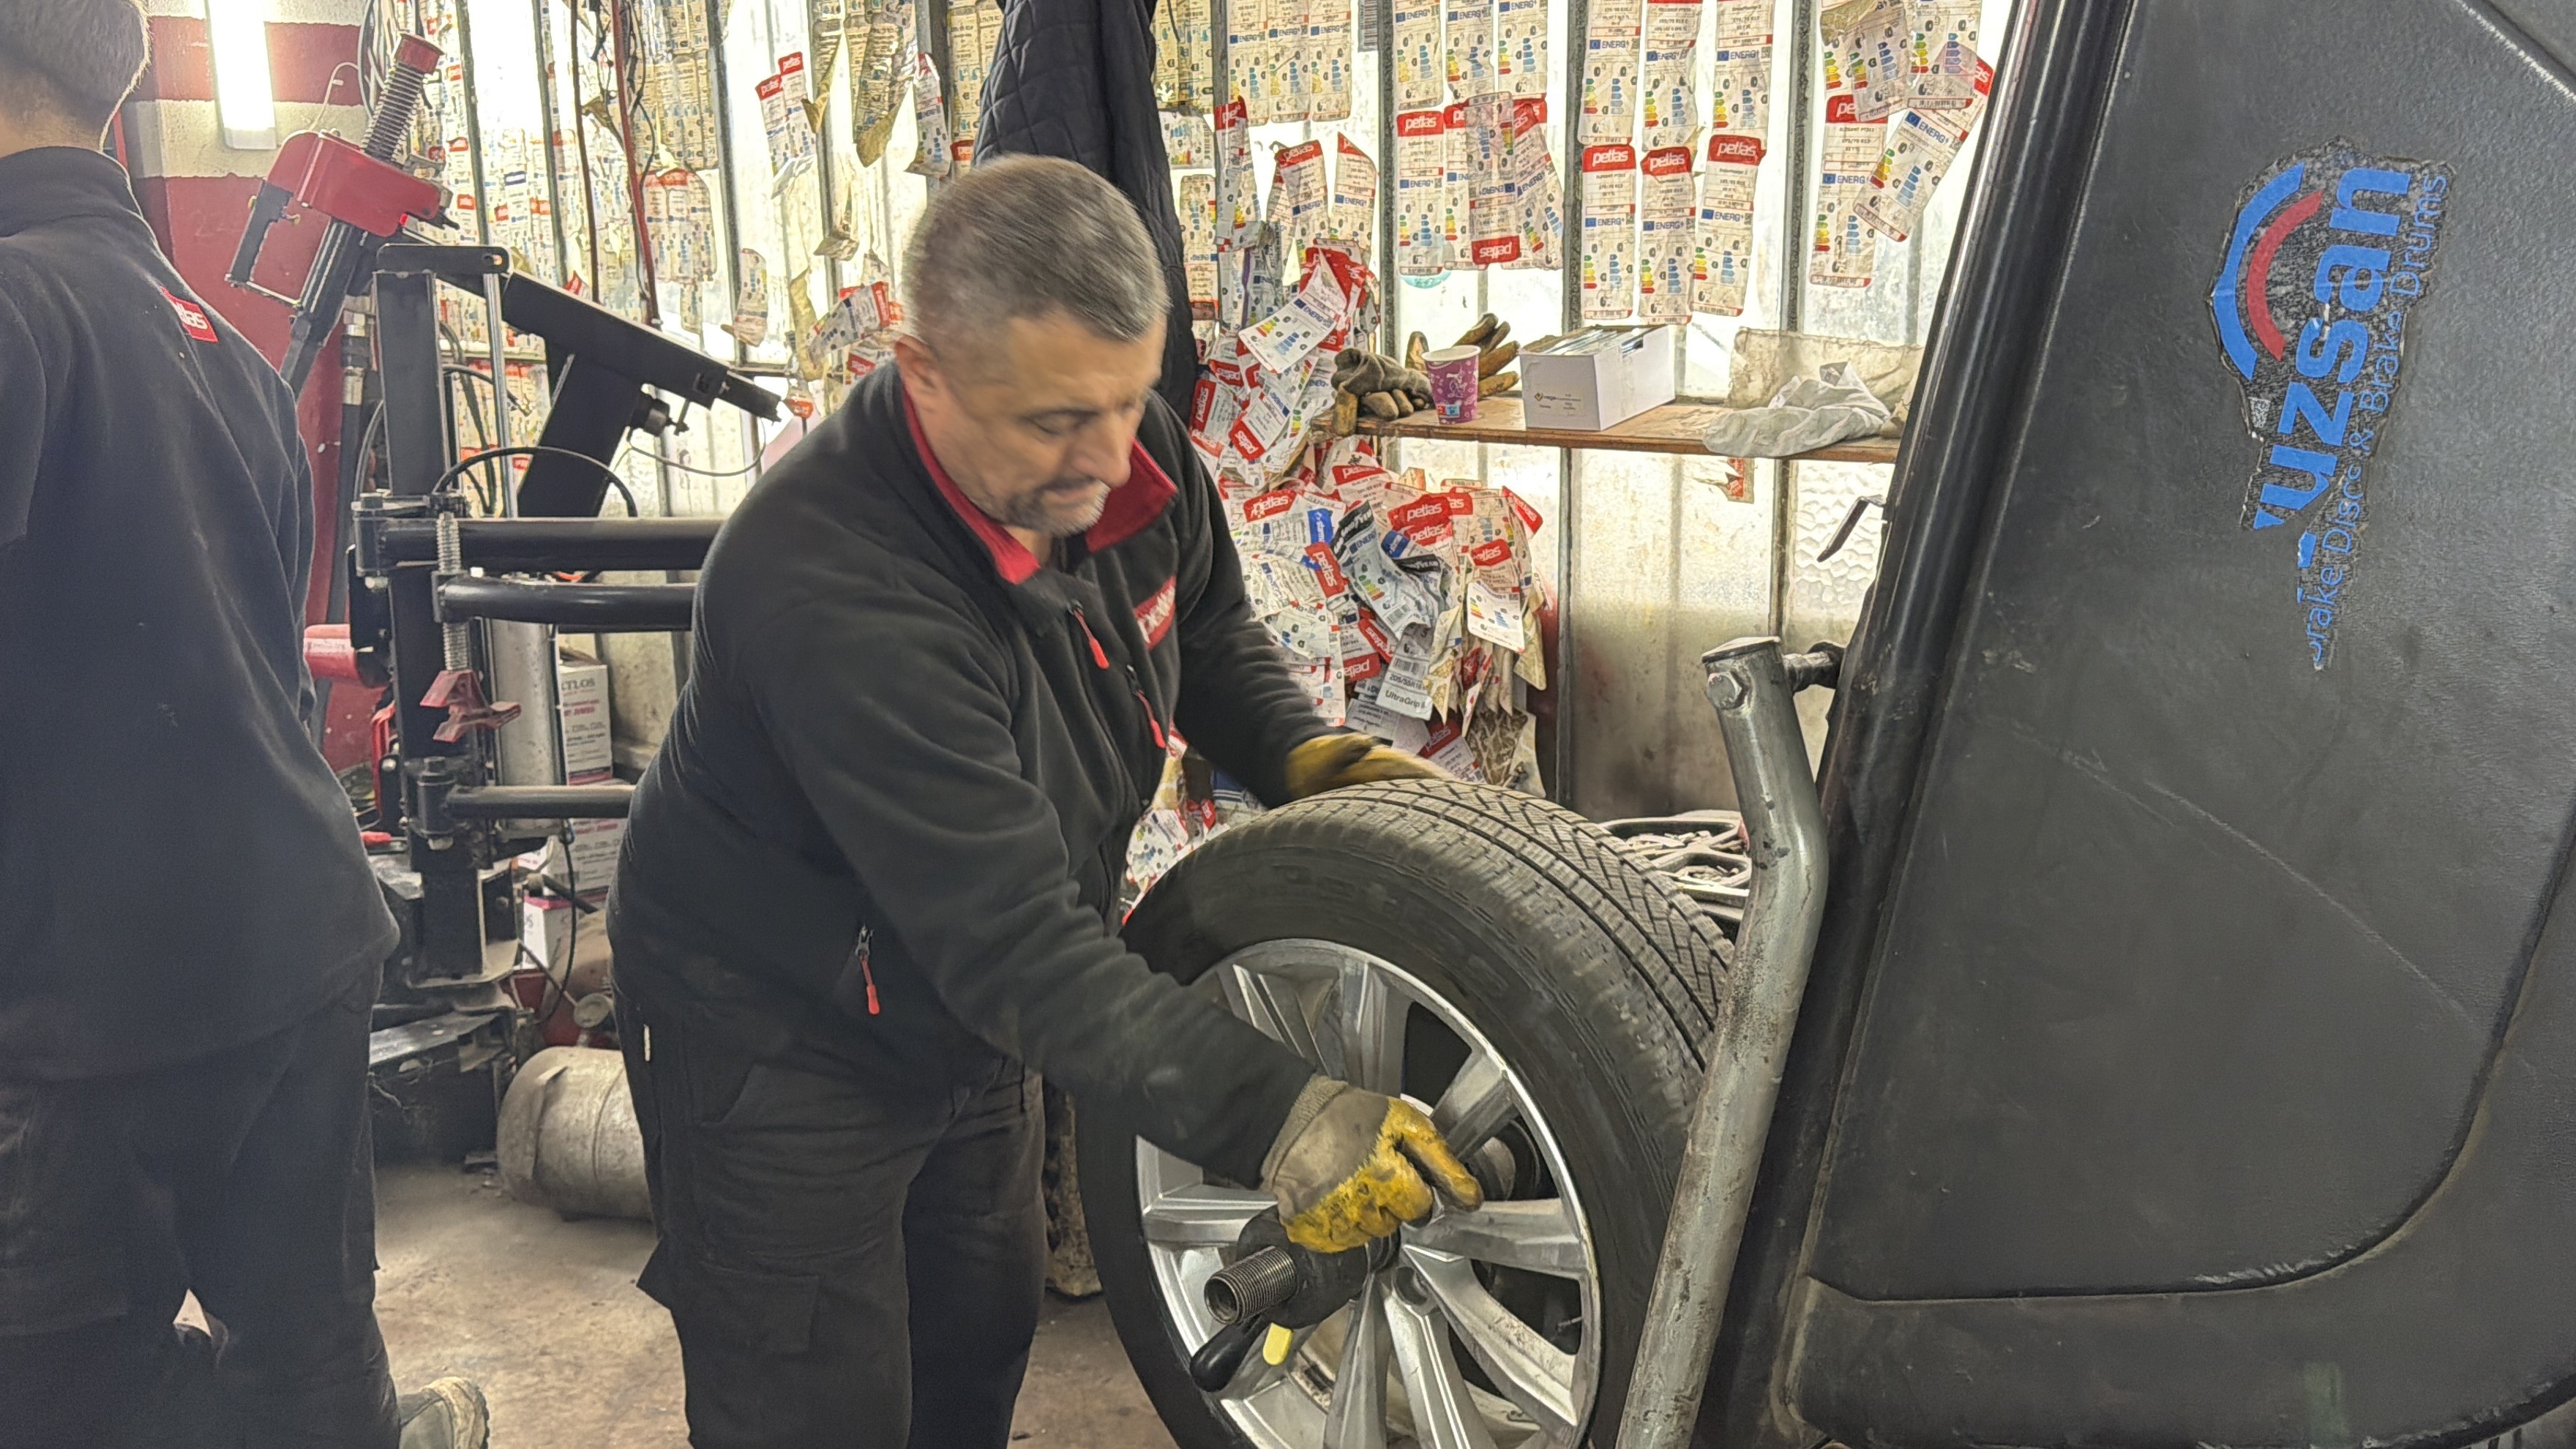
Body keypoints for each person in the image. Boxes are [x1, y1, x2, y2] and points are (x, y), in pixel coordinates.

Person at [610, 154, 1480, 1447]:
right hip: (777, 1030)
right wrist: (1285, 1117)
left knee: (975, 1336)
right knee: (812, 1392)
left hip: (967, 1009)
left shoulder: (1118, 448)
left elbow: (1210, 627)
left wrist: (1299, 755)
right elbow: (1015, 945)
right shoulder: (831, 584)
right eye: (1056, 421)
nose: (1108, 459)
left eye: (1129, 402)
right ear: (923, 374)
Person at [0, 4, 482, 1445]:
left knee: (56, 1395)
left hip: (96, 1002)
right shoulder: (218, 345)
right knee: (310, 1356)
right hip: (293, 943)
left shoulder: (17, 310)